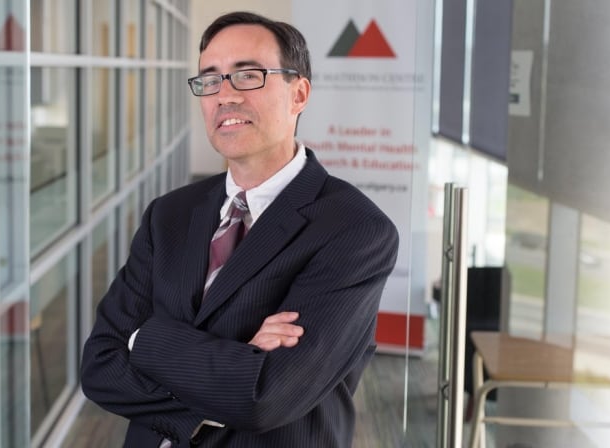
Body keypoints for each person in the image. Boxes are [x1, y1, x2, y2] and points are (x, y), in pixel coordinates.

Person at [81, 11, 399, 448]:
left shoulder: (355, 230)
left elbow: (265, 396)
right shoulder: (169, 214)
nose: (224, 95)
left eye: (247, 75)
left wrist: (144, 338)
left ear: (299, 93)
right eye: (209, 80)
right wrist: (235, 358)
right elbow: (99, 364)